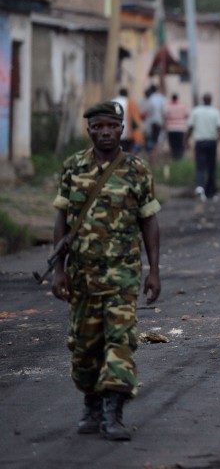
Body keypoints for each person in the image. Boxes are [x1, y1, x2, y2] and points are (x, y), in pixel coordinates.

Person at [51, 100, 162, 441]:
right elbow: (62, 219)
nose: (104, 132)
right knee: (84, 346)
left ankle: (114, 411)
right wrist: (59, 271)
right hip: (83, 275)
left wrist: (153, 270)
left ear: (121, 129)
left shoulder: (137, 170)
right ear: (89, 130)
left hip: (122, 274)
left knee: (120, 341)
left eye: (111, 126)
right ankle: (92, 404)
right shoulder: (74, 167)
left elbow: (149, 221)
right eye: (98, 127)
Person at [185, 93, 220, 201]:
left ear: (203, 100)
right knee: (211, 167)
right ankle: (211, 192)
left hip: (200, 142)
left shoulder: (196, 111)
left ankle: (200, 188)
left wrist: (186, 140)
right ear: (211, 100)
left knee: (200, 166)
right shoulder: (215, 112)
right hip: (212, 142)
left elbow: (190, 127)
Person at [113, 88, 144, 153]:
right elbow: (135, 119)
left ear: (119, 93)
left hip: (114, 130)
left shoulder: (113, 102)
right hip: (127, 132)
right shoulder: (130, 103)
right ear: (127, 94)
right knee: (126, 151)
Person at [164, 93, 189, 161]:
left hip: (171, 128)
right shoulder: (182, 105)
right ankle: (179, 157)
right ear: (177, 98)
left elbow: (164, 116)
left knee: (173, 144)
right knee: (180, 144)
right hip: (180, 128)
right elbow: (187, 115)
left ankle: (174, 157)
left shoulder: (168, 106)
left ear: (172, 98)